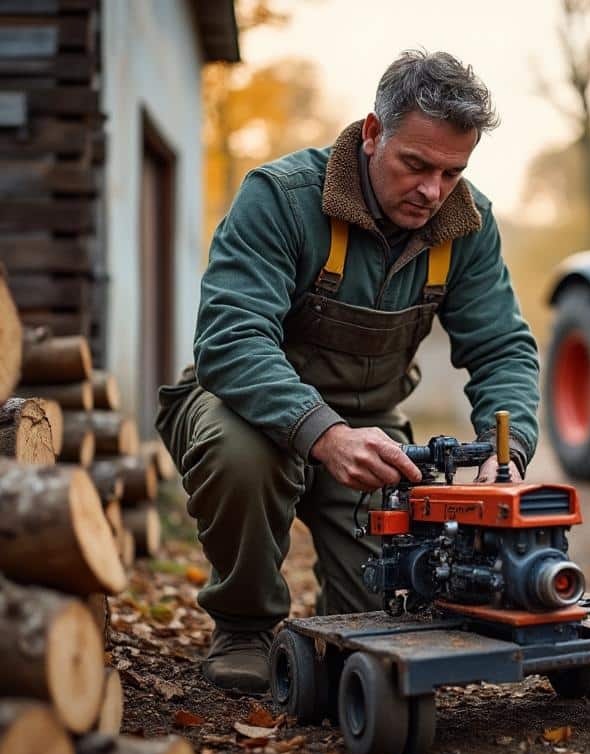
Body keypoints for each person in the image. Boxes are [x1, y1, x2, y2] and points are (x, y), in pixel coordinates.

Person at [156, 49, 540, 694]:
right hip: (242, 407)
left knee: (383, 612)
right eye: (415, 165)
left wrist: (507, 452)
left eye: (452, 172)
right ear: (372, 133)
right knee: (241, 455)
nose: (432, 191)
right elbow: (231, 339)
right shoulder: (281, 199)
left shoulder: (467, 225)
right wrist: (325, 434)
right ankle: (245, 626)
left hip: (373, 423)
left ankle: (340, 631)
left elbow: (502, 348)